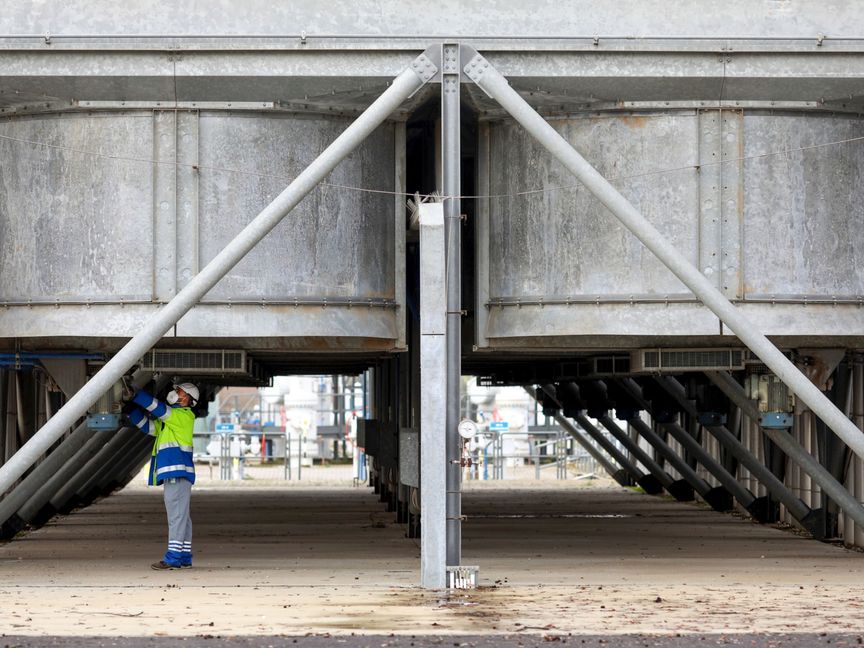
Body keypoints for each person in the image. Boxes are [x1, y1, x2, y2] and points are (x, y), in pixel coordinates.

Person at [125, 382, 199, 570]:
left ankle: (173, 558)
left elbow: (159, 410)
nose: (174, 393)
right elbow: (149, 428)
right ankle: (183, 557)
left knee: (176, 516)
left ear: (187, 398)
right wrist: (130, 411)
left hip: (178, 474)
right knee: (182, 516)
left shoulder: (183, 416)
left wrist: (137, 395)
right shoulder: (171, 422)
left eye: (179, 391)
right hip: (177, 474)